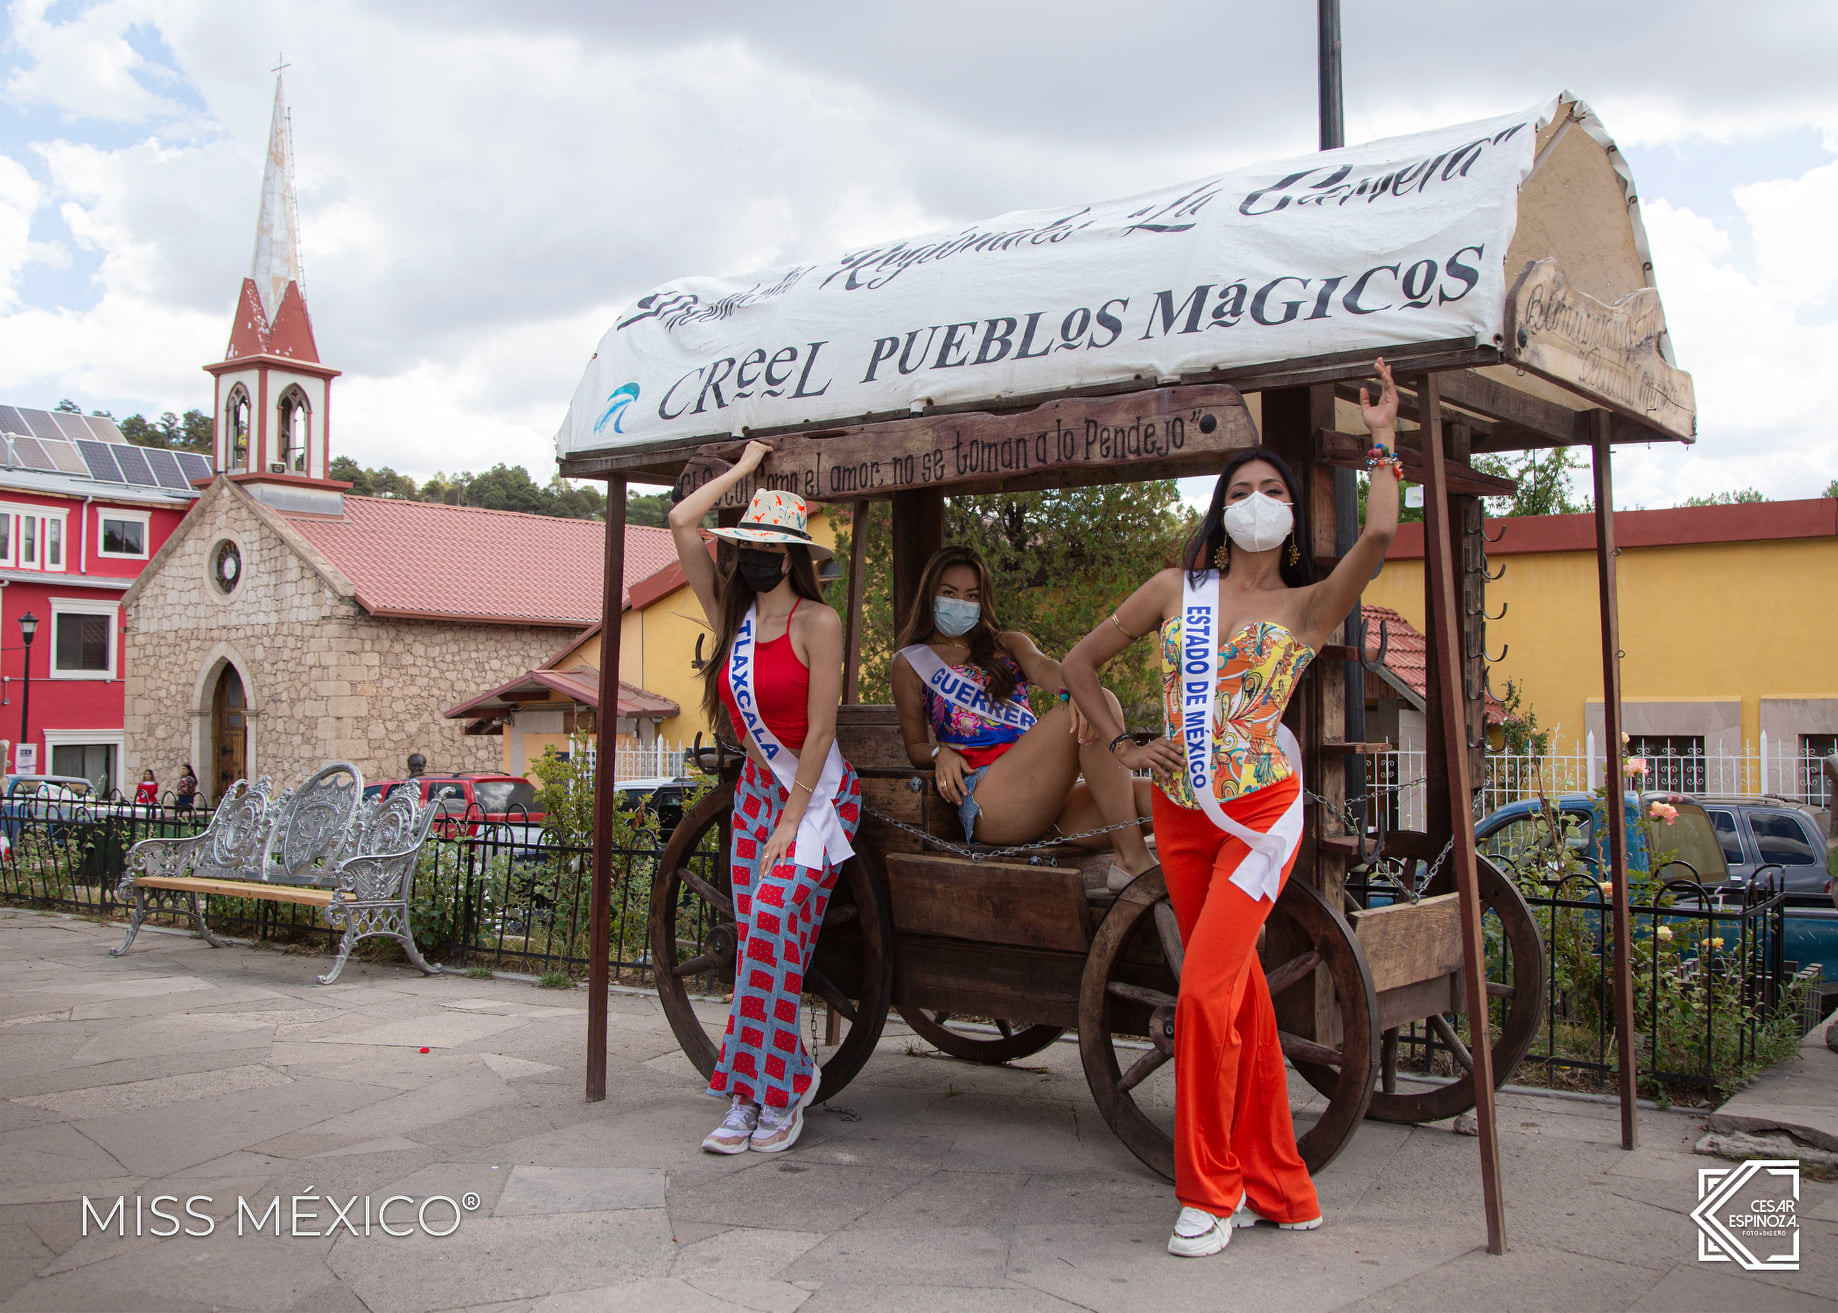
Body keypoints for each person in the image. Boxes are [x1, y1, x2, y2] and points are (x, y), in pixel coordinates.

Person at [1062, 358, 1401, 1258]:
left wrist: (1383, 441)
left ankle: (1210, 1191)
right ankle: (1281, 1188)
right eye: (1241, 488)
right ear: (1221, 508)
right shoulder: (1179, 593)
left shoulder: (1308, 605)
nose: (1256, 499)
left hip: (1256, 820)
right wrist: (1128, 743)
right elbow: (1078, 662)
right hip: (1179, 814)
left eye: (1270, 489)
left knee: (1206, 996)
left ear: (1288, 513)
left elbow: (1377, 539)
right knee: (1242, 1002)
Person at [667, 442, 859, 1156]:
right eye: (747, 544)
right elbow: (683, 522)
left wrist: (790, 818)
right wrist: (745, 473)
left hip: (814, 798)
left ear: (793, 556)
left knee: (774, 920)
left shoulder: (819, 622)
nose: (755, 557)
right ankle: (761, 1090)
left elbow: (819, 731)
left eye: (770, 547)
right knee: (757, 946)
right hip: (753, 792)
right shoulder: (732, 618)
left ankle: (772, 1090)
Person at [891, 545, 1156, 886]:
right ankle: (1133, 860)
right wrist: (938, 752)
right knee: (1097, 699)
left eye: (971, 595)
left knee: (1165, 799)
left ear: (982, 600)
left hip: (1048, 800)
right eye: (949, 593)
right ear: (930, 595)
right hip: (991, 802)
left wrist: (1074, 688)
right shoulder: (910, 662)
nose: (960, 603)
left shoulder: (1009, 644)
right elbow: (914, 745)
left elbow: (1049, 670)